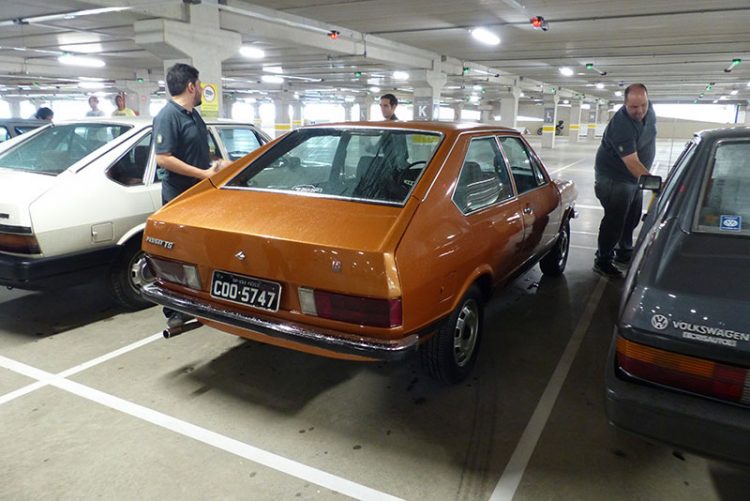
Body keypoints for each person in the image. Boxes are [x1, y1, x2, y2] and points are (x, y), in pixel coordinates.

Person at [152, 62, 230, 328]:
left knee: (197, 251)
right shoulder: (167, 116)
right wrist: (203, 174)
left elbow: (199, 151)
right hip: (179, 197)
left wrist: (218, 164)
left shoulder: (194, 115)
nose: (201, 89)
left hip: (199, 195)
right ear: (190, 86)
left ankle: (199, 299)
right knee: (176, 252)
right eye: (199, 84)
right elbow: (163, 158)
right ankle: (174, 309)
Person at [593, 83, 656, 278]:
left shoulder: (649, 110)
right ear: (624, 104)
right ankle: (603, 259)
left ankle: (624, 252)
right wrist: (655, 185)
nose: (640, 111)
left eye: (643, 105)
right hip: (614, 178)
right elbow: (632, 163)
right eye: (634, 107)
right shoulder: (621, 126)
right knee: (615, 219)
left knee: (633, 217)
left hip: (635, 179)